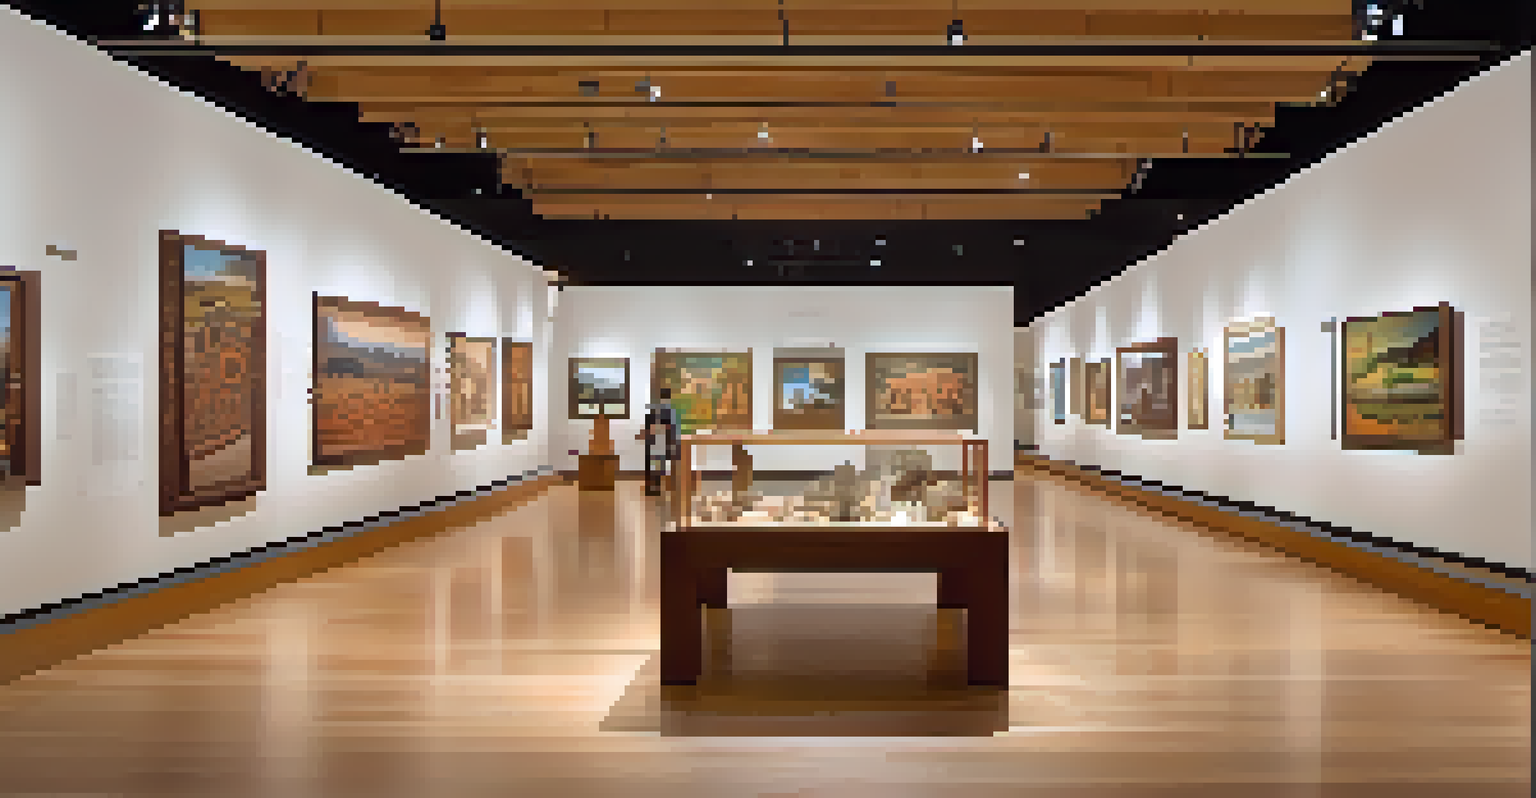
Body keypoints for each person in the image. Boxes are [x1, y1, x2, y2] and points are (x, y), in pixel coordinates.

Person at [637, 387, 681, 497]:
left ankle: (654, 486)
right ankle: (657, 486)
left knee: (655, 463)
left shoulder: (658, 411)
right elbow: (673, 429)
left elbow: (657, 426)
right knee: (658, 464)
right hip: (662, 440)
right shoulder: (671, 411)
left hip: (659, 440)